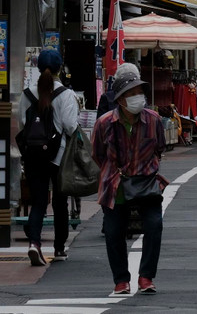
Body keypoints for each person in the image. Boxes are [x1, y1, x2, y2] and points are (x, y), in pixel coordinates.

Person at [92, 64, 167, 294]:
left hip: (146, 180)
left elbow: (160, 148)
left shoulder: (153, 120)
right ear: (121, 99)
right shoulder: (105, 123)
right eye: (132, 94)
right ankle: (121, 280)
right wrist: (115, 171)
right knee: (114, 231)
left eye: (139, 93)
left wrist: (144, 166)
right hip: (115, 183)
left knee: (154, 225)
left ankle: (146, 277)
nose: (138, 98)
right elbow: (98, 154)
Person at [18, 50, 79, 266]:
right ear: (60, 69)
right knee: (60, 202)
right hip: (58, 155)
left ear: (37, 68)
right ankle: (59, 248)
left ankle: (34, 243)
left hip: (33, 156)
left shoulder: (26, 95)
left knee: (38, 202)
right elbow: (71, 127)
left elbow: (22, 126)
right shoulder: (66, 94)